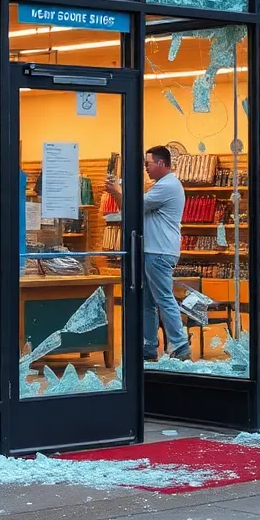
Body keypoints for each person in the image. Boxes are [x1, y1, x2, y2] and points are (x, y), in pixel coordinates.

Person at [105, 146, 189, 362]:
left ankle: (179, 344)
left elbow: (133, 207)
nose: (146, 168)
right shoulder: (162, 185)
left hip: (158, 251)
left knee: (163, 298)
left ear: (161, 163)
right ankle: (149, 346)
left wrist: (116, 192)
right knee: (148, 301)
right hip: (154, 250)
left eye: (148, 164)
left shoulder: (167, 186)